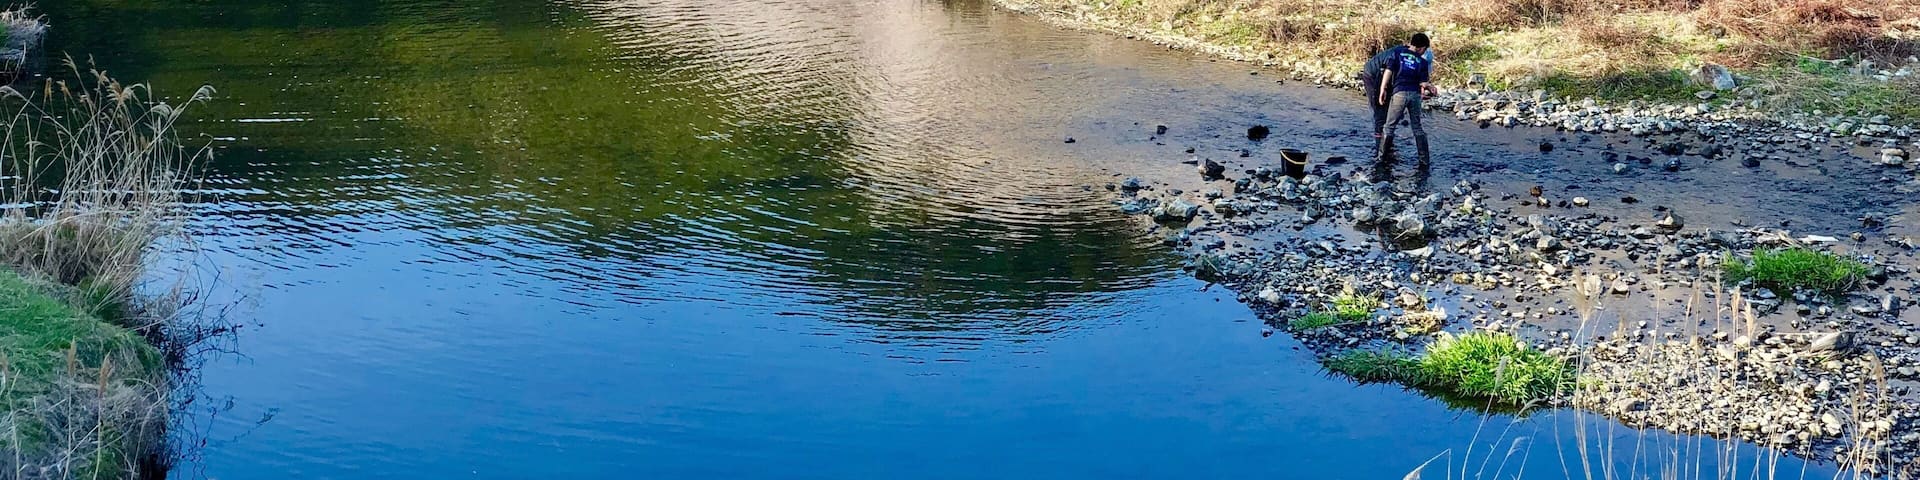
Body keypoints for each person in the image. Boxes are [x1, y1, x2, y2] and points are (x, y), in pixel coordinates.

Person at [1375, 33, 1437, 165]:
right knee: (1417, 127)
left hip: (1400, 94)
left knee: (1389, 126)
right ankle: (1424, 161)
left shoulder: (1398, 53)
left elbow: (1388, 71)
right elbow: (1423, 83)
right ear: (1422, 48)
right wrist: (1431, 87)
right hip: (1414, 96)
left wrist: (1383, 89)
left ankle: (1381, 160)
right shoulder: (1423, 62)